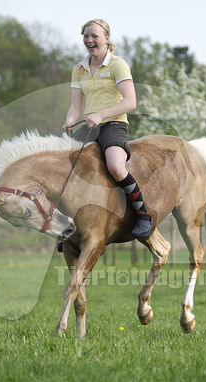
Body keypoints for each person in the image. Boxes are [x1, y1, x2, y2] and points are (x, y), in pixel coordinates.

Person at [62, 18, 152, 239]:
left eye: (94, 36)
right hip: (89, 127)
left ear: (106, 39)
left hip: (114, 124)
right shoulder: (79, 68)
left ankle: (143, 215)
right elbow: (75, 107)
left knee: (115, 166)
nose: (89, 40)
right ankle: (69, 226)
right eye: (86, 36)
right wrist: (69, 122)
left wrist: (101, 114)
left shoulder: (117, 64)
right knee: (64, 167)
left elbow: (131, 102)